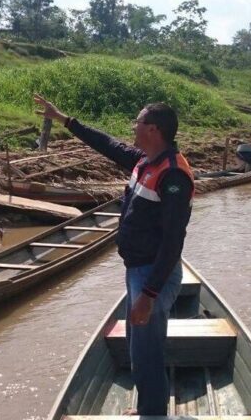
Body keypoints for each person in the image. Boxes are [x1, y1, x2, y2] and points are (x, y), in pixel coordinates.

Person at [33, 94, 194, 416]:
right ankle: (149, 405)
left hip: (152, 274)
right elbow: (107, 145)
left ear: (153, 129)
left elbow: (173, 240)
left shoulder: (173, 175)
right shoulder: (145, 160)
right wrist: (65, 119)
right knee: (139, 345)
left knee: (146, 348)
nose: (132, 127)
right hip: (137, 268)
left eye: (137, 121)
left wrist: (149, 293)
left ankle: (153, 412)